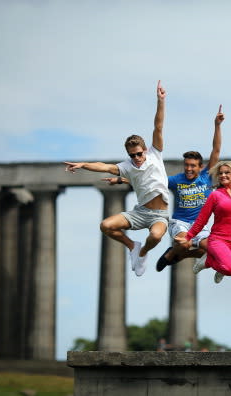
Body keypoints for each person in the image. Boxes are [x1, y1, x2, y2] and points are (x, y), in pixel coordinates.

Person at [64, 80, 169, 277]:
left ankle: (143, 252)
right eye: (132, 155)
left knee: (155, 236)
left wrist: (160, 101)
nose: (136, 158)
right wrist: (82, 165)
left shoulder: (155, 154)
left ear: (145, 150)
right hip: (141, 212)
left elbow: (159, 126)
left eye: (138, 154)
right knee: (106, 226)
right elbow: (104, 166)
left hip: (160, 215)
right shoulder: (127, 166)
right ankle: (133, 247)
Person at [155, 105, 223, 272]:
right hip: (181, 223)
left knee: (210, 250)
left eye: (193, 166)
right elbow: (150, 181)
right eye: (186, 165)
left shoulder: (206, 177)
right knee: (185, 242)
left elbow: (216, 150)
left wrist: (217, 125)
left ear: (200, 167)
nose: (189, 169)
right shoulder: (175, 180)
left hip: (201, 226)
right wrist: (122, 178)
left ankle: (177, 254)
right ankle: (175, 252)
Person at [176, 161, 231, 283]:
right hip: (218, 240)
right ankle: (208, 261)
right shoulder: (216, 196)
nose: (223, 175)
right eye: (220, 173)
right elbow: (201, 220)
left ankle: (221, 268)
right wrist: (188, 236)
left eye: (227, 172)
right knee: (230, 269)